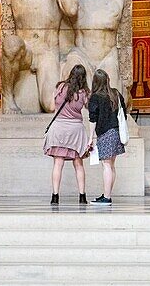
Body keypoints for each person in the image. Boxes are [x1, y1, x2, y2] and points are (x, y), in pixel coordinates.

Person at [43, 65, 91, 206]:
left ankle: (55, 196)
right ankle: (82, 196)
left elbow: (52, 107)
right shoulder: (84, 92)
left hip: (58, 129)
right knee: (78, 164)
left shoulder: (61, 87)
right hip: (76, 131)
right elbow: (89, 107)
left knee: (58, 163)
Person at [87, 69, 127, 206]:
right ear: (107, 80)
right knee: (111, 165)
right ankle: (106, 194)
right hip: (116, 132)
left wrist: (90, 138)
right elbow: (124, 113)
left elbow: (93, 119)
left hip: (105, 133)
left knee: (106, 166)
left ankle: (107, 197)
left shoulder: (95, 97)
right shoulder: (115, 93)